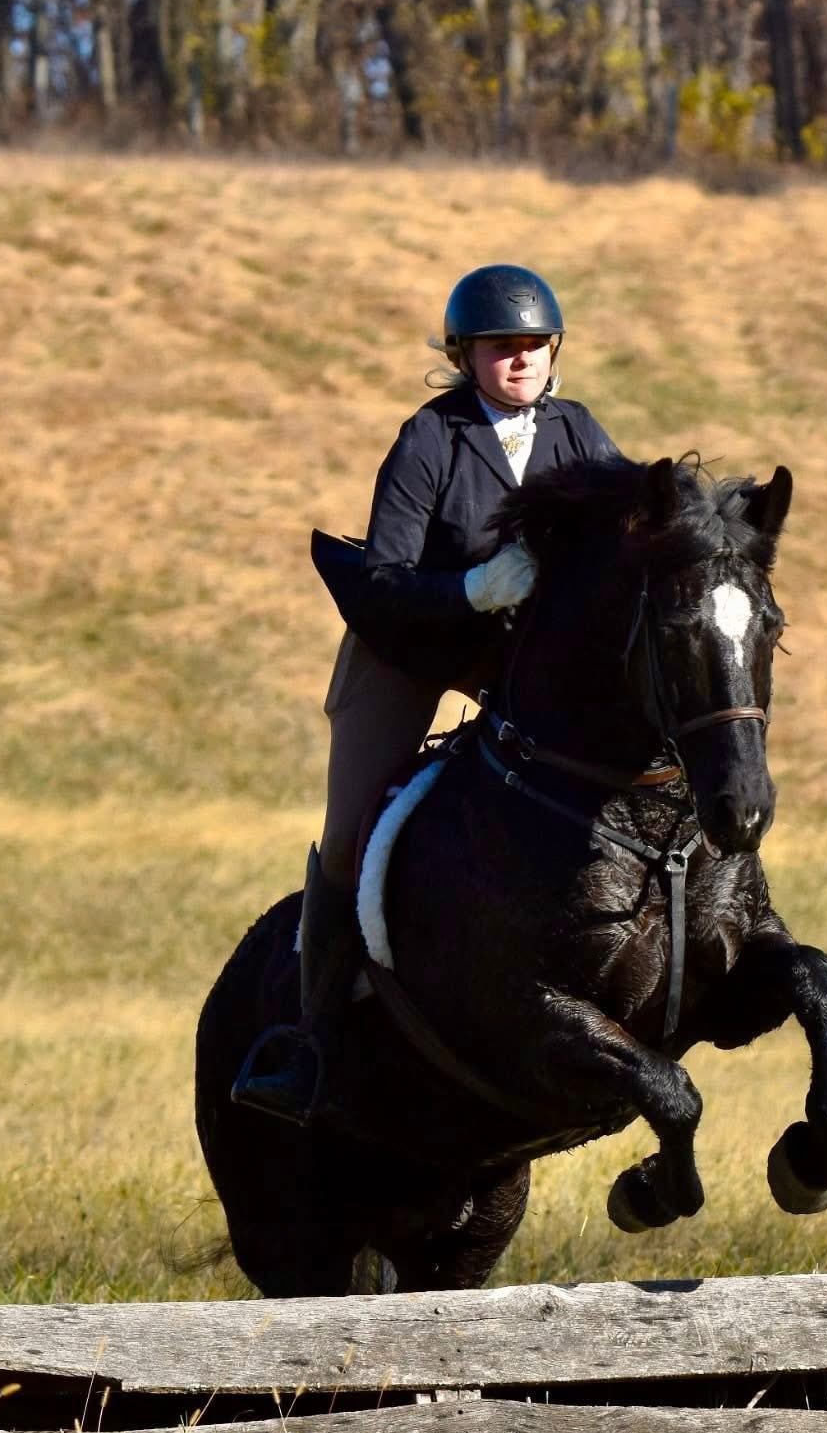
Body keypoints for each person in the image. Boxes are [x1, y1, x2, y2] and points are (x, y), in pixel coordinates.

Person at [232, 264, 619, 1122]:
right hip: (405, 645)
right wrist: (474, 590)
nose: (519, 360)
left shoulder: (578, 431)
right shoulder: (431, 438)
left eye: (532, 346)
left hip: (512, 658)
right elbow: (381, 580)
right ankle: (309, 1042)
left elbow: (629, 524)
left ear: (555, 351)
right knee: (348, 834)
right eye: (500, 347)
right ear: (465, 355)